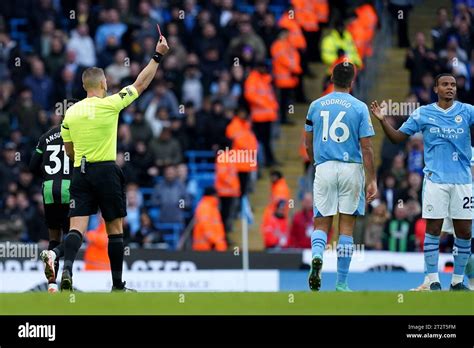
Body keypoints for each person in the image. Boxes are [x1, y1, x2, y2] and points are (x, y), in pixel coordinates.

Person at [58, 33, 169, 291]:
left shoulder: (70, 113)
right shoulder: (111, 104)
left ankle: (65, 270)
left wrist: (81, 161)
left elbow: (69, 150)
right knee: (115, 229)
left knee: (77, 228)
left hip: (80, 172)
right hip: (106, 171)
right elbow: (141, 84)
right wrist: (157, 56)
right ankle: (118, 285)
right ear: (102, 83)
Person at [371, 73, 473, 291]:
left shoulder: (467, 111)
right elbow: (397, 138)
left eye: (453, 85)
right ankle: (431, 280)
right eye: (445, 84)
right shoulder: (423, 113)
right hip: (435, 180)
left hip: (463, 181)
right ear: (435, 88)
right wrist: (382, 120)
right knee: (434, 229)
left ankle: (457, 281)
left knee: (464, 231)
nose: (450, 88)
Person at [305, 62, 377, 292]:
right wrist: (371, 179)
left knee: (321, 223)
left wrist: (316, 161)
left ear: (331, 79)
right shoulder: (359, 107)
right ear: (353, 81)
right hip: (350, 168)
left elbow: (308, 142)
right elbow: (366, 148)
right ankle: (342, 283)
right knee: (346, 228)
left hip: (324, 165)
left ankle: (317, 256)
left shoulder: (315, 106)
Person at [30, 99, 77, 293]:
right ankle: (68, 274)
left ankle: (51, 283)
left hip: (49, 189)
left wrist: (47, 174)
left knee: (54, 237)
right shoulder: (79, 135)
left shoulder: (47, 135)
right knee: (74, 235)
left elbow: (32, 166)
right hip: (70, 189)